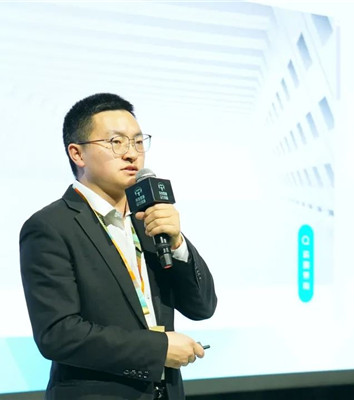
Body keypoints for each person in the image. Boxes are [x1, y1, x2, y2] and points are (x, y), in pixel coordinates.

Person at [19, 93, 217, 400]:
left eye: (138, 142)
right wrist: (158, 350)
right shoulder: (50, 226)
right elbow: (58, 334)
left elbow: (202, 307)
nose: (131, 154)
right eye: (116, 142)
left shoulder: (149, 219)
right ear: (77, 153)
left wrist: (177, 243)